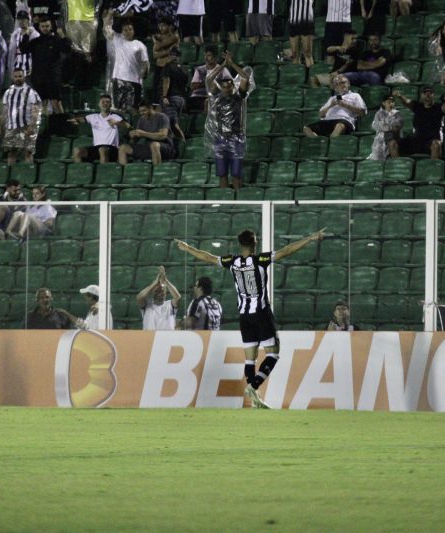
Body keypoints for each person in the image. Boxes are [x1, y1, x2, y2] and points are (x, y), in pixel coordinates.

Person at [175, 228, 325, 409]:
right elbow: (286, 251)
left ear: (240, 244)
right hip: (261, 313)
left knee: (250, 359)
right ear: (255, 243)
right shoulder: (260, 260)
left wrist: (187, 247)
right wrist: (310, 238)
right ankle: (253, 386)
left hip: (244, 316)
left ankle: (254, 399)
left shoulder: (233, 261)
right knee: (274, 354)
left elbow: (208, 257)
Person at [207, 52, 251, 189]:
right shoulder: (217, 97)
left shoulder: (239, 96)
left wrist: (231, 64)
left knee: (236, 173)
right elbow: (209, 79)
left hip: (237, 137)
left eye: (229, 85)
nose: (226, 87)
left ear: (233, 85)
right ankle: (224, 202)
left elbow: (245, 77)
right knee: (222, 173)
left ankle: (237, 201)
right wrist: (222, 66)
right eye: (224, 85)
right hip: (220, 137)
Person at [19, 16, 71, 115]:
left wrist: (63, 37)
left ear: (51, 26)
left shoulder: (56, 40)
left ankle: (62, 125)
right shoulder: (36, 42)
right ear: (39, 27)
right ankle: (44, 127)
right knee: (42, 103)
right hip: (39, 78)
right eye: (42, 26)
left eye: (47, 26)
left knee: (56, 102)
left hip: (53, 77)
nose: (45, 28)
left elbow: (67, 49)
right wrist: (26, 35)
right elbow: (23, 49)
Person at [106, 11, 149, 113]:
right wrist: (110, 15)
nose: (127, 31)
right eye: (125, 30)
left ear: (133, 31)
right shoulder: (117, 40)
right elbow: (106, 28)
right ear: (122, 32)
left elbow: (145, 62)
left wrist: (143, 71)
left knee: (133, 110)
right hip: (119, 79)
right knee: (120, 109)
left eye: (130, 29)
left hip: (134, 81)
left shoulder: (140, 45)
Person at [394, 86, 445, 159]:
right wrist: (399, 96)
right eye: (425, 93)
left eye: (430, 93)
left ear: (434, 95)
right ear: (421, 95)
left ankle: (434, 169)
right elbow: (407, 102)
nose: (427, 95)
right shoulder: (417, 106)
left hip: (431, 141)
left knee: (436, 144)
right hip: (416, 140)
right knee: (392, 144)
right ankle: (397, 167)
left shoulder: (438, 107)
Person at [70, 94, 129, 163]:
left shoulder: (115, 116)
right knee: (77, 151)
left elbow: (128, 126)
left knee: (102, 149)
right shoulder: (93, 117)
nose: (105, 104)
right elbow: (81, 120)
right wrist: (75, 120)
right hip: (96, 147)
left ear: (110, 105)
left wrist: (116, 123)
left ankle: (103, 173)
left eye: (107, 102)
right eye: (103, 102)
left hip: (112, 149)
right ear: (99, 104)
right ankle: (79, 173)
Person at [1, 68, 43, 164]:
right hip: (11, 127)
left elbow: (35, 111)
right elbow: (4, 111)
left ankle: (28, 175)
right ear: (12, 77)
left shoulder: (31, 92)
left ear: (24, 77)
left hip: (26, 126)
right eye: (15, 76)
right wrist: (1, 126)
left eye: (20, 76)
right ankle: (10, 175)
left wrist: (32, 126)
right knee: (11, 152)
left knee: (27, 152)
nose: (18, 78)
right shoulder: (8, 92)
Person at [118, 100, 175, 166]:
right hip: (148, 148)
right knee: (123, 147)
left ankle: (156, 173)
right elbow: (135, 140)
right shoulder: (141, 119)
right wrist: (133, 136)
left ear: (150, 108)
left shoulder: (162, 117)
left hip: (166, 148)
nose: (142, 113)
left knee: (154, 145)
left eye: (144, 110)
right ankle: (125, 174)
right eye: (140, 111)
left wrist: (143, 133)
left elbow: (163, 135)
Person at [137, 266, 181, 330]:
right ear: (152, 291)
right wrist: (155, 282)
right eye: (158, 290)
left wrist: (165, 280)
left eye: (163, 290)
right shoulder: (147, 305)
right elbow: (139, 298)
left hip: (167, 339)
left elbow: (178, 297)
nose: (161, 292)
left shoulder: (170, 305)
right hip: (149, 339)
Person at [188, 46, 231, 112]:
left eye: (208, 55)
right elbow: (192, 86)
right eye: (205, 55)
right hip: (198, 97)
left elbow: (230, 84)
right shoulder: (200, 70)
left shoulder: (223, 70)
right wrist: (207, 83)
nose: (206, 58)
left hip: (215, 97)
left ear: (215, 57)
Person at [160, 50, 188, 141]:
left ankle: (181, 145)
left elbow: (166, 81)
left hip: (171, 98)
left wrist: (164, 96)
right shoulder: (182, 69)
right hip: (181, 99)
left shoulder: (168, 67)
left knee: (171, 125)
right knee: (173, 124)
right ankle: (179, 145)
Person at [367, 94, 403, 161]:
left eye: (392, 102)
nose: (391, 104)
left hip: (394, 138)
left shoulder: (397, 113)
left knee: (393, 145)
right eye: (389, 102)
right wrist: (390, 127)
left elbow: (398, 125)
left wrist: (387, 126)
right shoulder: (379, 114)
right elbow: (378, 125)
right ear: (383, 103)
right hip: (381, 141)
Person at [8, 10, 40, 79]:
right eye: (19, 19)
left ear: (28, 20)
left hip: (29, 69)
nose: (21, 21)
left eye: (23, 19)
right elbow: (11, 54)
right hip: (16, 68)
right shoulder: (15, 34)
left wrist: (35, 68)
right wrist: (11, 69)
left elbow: (37, 54)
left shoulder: (35, 34)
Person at [324, 0, 353, 64]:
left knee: (345, 52)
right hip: (331, 20)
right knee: (330, 53)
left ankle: (343, 73)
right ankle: (330, 73)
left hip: (346, 21)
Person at [288, 0, 315, 67]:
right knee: (294, 54)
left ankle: (310, 76)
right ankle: (297, 76)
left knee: (307, 53)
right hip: (293, 20)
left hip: (307, 21)